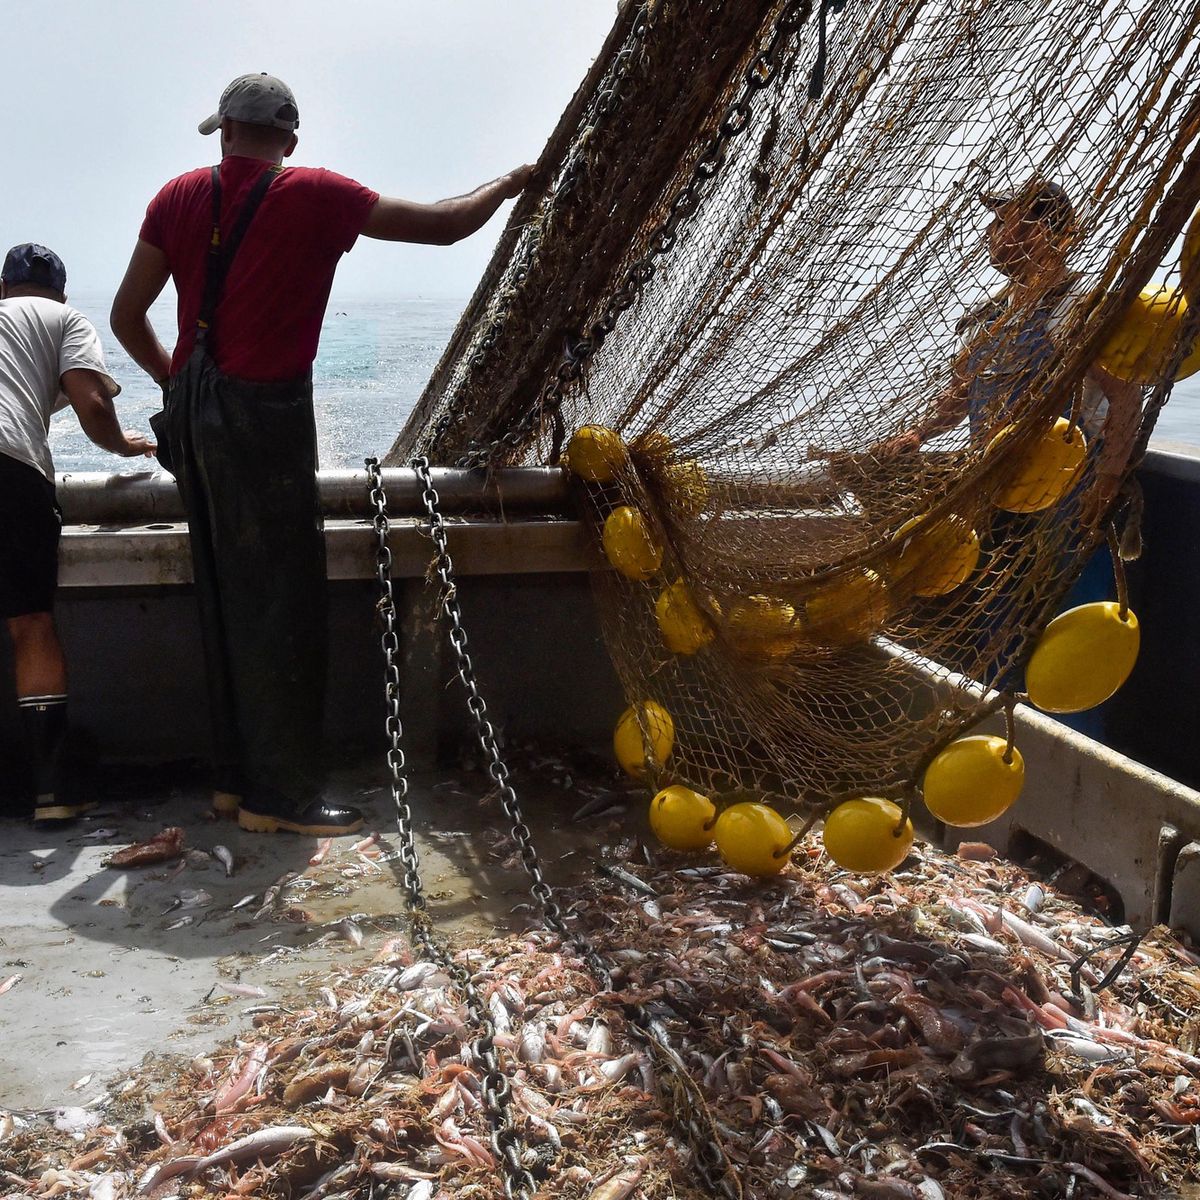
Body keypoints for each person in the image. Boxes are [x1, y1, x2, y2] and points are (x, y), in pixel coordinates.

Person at [110, 73, 536, 837]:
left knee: (224, 597)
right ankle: (283, 800)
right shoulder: (316, 192)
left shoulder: (175, 196)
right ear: (290, 140)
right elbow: (445, 225)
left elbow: (125, 314)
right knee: (281, 606)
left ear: (228, 133)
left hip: (195, 416)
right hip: (264, 416)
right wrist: (505, 184)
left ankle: (235, 785)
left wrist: (175, 384)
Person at [0, 243, 155, 823]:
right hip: (9, 468)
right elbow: (90, 401)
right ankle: (53, 792)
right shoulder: (66, 319)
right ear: (60, 294)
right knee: (30, 623)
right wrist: (124, 444)